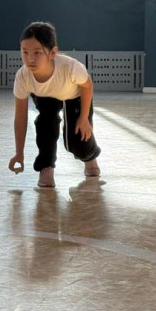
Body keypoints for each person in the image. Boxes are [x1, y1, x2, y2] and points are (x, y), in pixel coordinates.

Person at [8, 22, 101, 188]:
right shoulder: (23, 76)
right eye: (25, 52)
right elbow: (20, 117)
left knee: (78, 141)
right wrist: (19, 153)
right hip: (45, 96)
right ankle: (46, 167)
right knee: (45, 124)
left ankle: (90, 157)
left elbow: (87, 85)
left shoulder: (70, 67)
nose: (30, 59)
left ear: (52, 53)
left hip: (74, 95)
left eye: (37, 53)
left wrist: (84, 117)